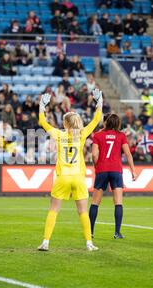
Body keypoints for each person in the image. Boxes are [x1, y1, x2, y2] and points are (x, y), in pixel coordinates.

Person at [37, 89, 103, 252]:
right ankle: (89, 243)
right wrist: (99, 102)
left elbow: (43, 123)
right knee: (82, 211)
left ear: (66, 124)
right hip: (79, 178)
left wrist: (41, 106)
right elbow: (96, 120)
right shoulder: (82, 134)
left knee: (53, 209)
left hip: (63, 177)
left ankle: (45, 242)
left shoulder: (59, 134)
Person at [89, 113, 137, 240]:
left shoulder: (98, 135)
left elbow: (94, 155)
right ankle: (117, 232)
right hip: (116, 170)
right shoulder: (121, 136)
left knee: (95, 203)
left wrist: (96, 166)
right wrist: (133, 170)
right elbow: (128, 154)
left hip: (102, 170)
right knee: (118, 202)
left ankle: (91, 232)